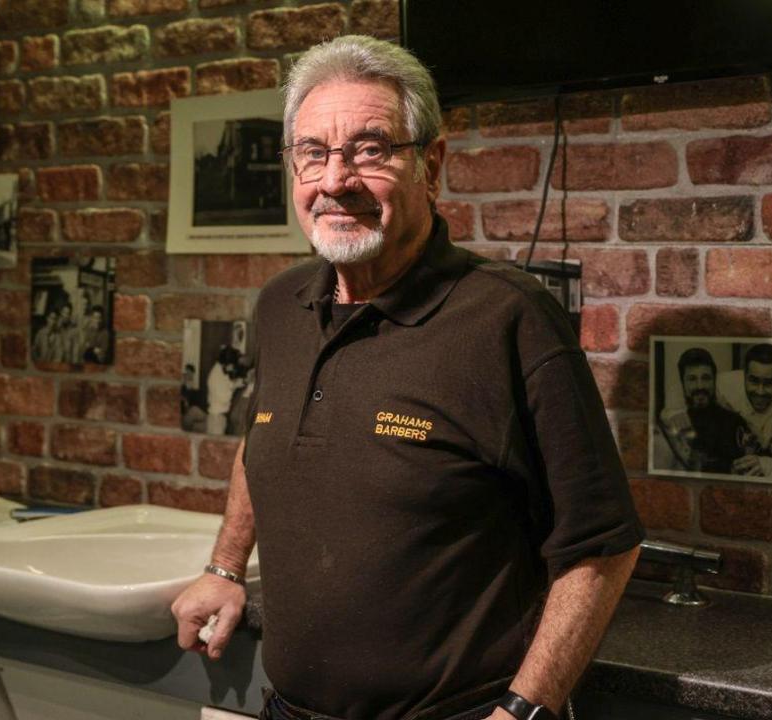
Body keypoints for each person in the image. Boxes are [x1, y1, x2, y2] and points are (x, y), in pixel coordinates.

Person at [171, 35, 643, 720]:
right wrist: (224, 567)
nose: (336, 181)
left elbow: (604, 541)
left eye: (370, 149)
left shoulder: (509, 317)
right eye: (313, 153)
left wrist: (526, 711)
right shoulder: (280, 304)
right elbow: (261, 438)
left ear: (433, 164)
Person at [715, 343, 772, 481]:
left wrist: (766, 465)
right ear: (744, 375)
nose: (760, 391)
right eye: (753, 381)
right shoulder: (722, 385)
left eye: (769, 383)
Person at [653, 348, 750, 474]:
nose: (700, 386)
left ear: (714, 380)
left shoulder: (734, 422)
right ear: (683, 383)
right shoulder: (672, 423)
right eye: (692, 379)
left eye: (706, 378)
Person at [205, 346, 243, 436]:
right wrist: (234, 387)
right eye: (233, 365)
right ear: (228, 363)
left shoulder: (220, 370)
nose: (233, 368)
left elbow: (225, 385)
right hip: (217, 418)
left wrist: (235, 384)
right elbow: (224, 398)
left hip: (217, 416)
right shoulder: (216, 375)